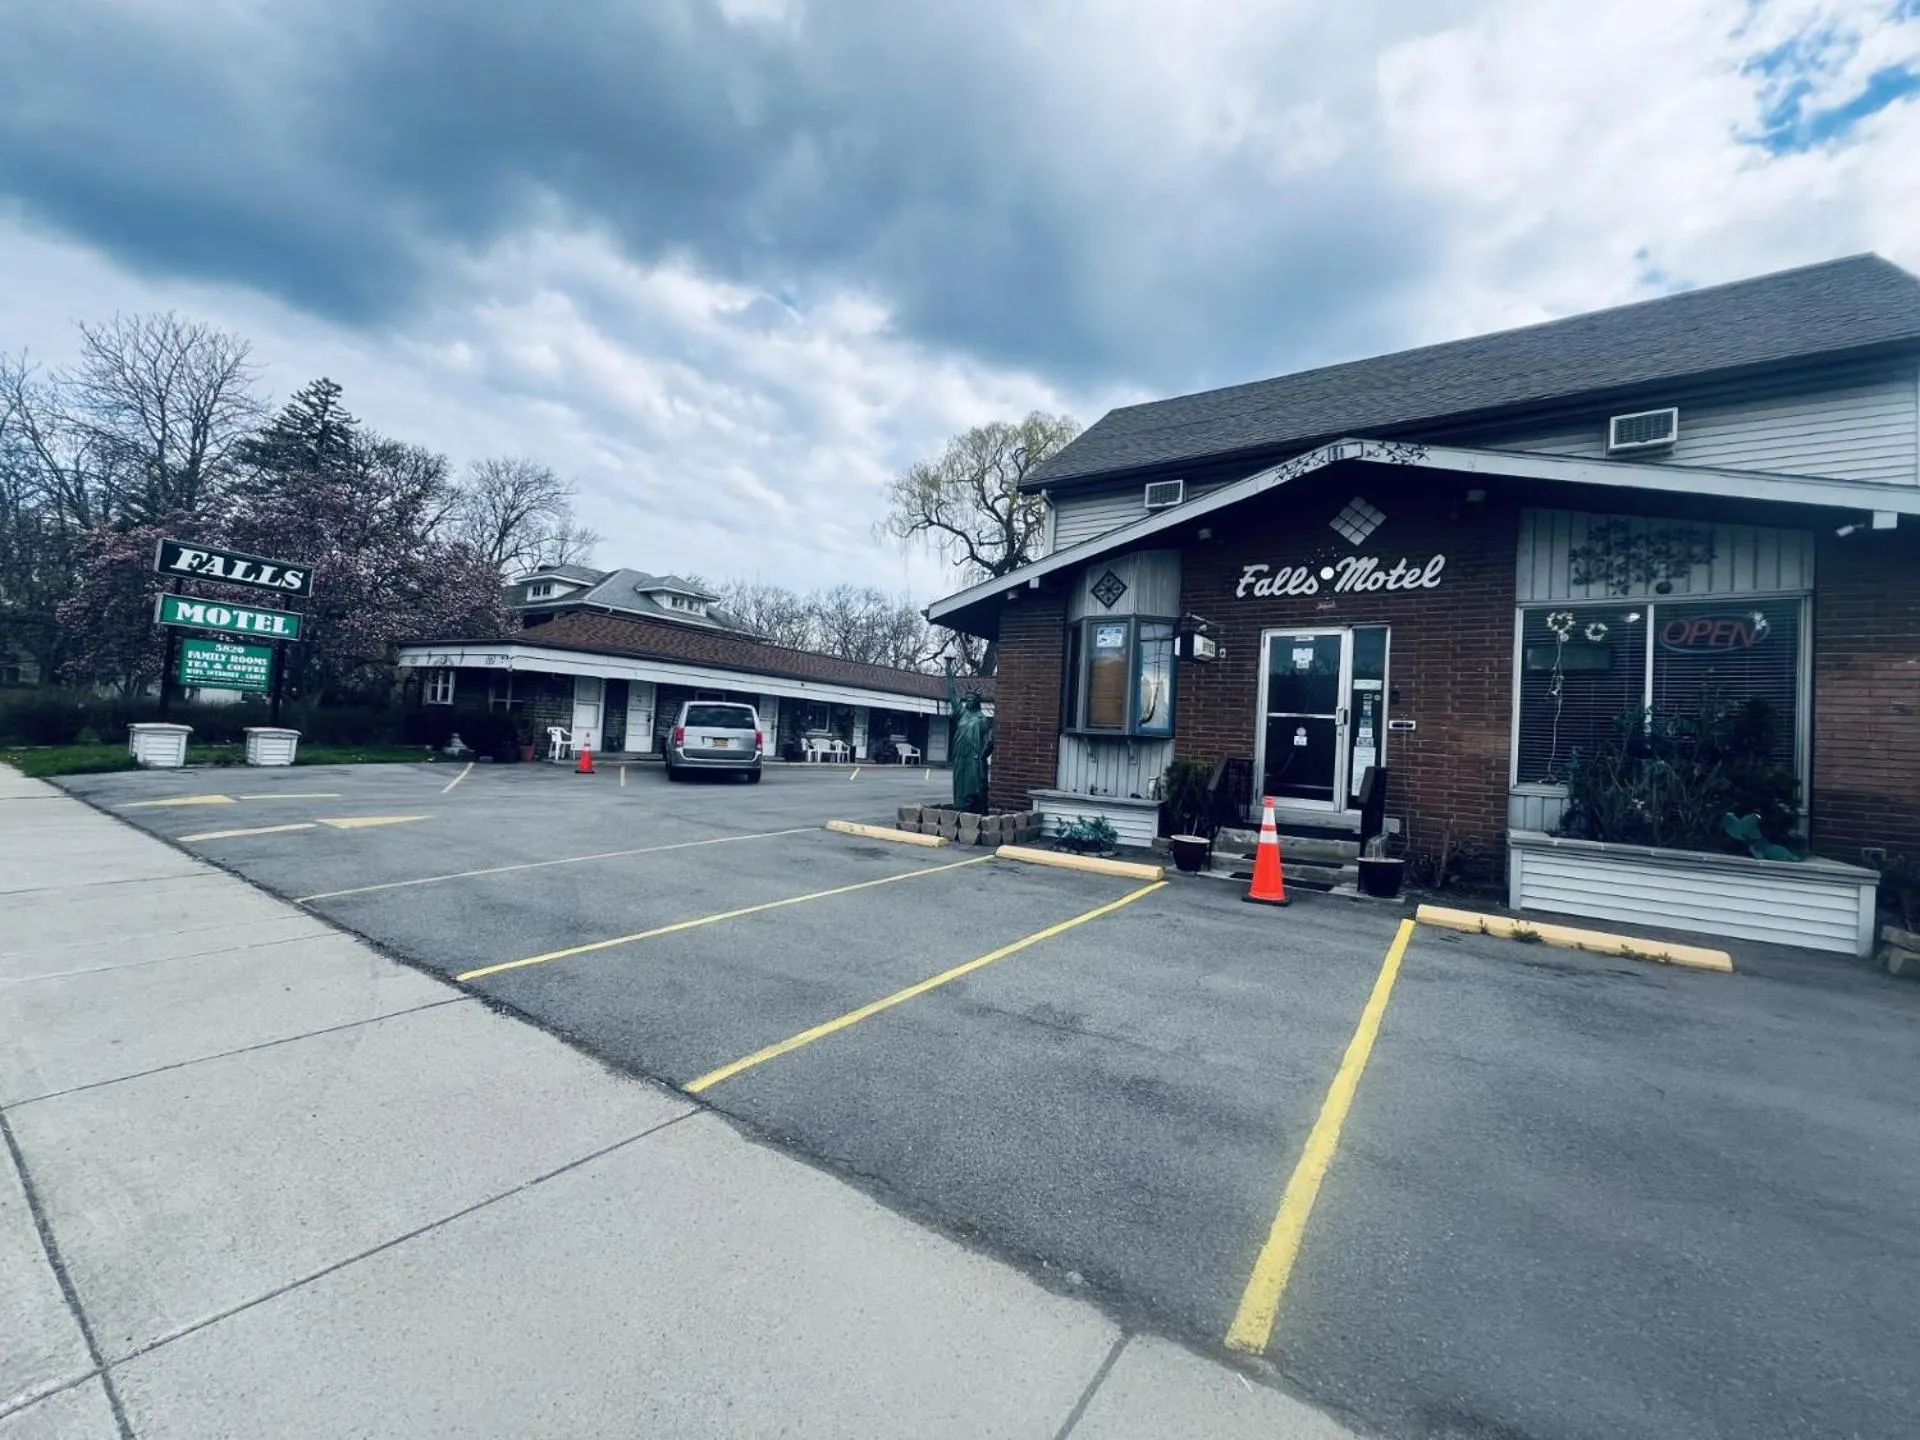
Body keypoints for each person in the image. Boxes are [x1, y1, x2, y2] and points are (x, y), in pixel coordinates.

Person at [946, 663, 994, 814]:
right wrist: (948, 668)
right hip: (960, 753)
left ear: (977, 701)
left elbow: (988, 741)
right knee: (959, 781)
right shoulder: (962, 714)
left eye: (971, 700)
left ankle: (976, 808)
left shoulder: (982, 719)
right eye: (967, 700)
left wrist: (984, 752)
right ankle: (960, 807)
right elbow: (952, 694)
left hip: (974, 756)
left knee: (975, 783)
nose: (968, 702)